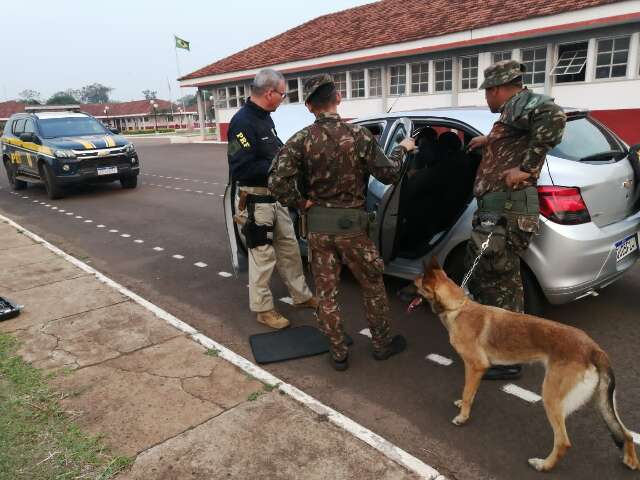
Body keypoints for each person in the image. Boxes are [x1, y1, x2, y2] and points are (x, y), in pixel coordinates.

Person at [269, 74, 416, 371]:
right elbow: (389, 174)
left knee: (326, 294)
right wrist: (404, 148)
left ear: (310, 106)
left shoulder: (300, 140)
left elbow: (276, 182)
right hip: (354, 231)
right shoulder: (359, 136)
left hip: (319, 229)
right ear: (337, 98)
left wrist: (301, 202)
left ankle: (337, 352)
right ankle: (382, 344)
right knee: (373, 285)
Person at [467, 60, 566, 380]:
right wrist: (489, 140)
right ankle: (497, 348)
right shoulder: (510, 113)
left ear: (498, 89)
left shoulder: (520, 103)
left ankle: (508, 359)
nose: (486, 100)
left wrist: (528, 168)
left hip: (507, 210)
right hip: (500, 210)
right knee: (496, 281)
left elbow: (554, 115)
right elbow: (514, 139)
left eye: (487, 93)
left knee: (501, 285)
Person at [227, 68, 317, 330]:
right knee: (263, 258)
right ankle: (264, 309)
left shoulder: (265, 118)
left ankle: (301, 296)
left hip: (274, 198)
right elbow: (240, 168)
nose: (283, 98)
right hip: (255, 201)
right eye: (282, 94)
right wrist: (281, 167)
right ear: (269, 93)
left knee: (289, 250)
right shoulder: (242, 122)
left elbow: (273, 152)